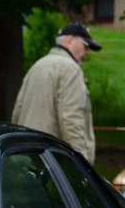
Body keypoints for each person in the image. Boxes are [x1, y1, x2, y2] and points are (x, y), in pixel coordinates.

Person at [12, 21, 102, 163]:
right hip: (53, 162)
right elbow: (71, 119)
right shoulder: (70, 69)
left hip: (26, 156)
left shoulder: (38, 65)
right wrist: (81, 164)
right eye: (85, 46)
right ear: (70, 41)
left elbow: (17, 111)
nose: (87, 52)